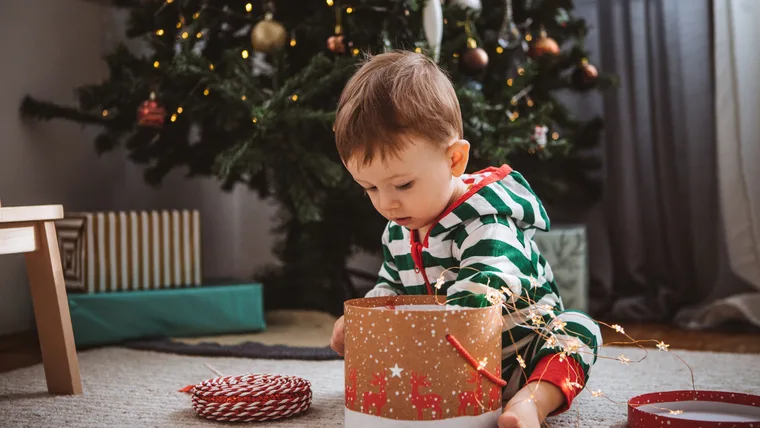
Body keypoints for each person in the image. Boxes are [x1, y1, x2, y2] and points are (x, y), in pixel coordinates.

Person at [329, 50, 602, 428]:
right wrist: (365, 323)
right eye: (369, 188)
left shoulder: (487, 221)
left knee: (579, 331)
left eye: (403, 184)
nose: (387, 202)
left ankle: (532, 402)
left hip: (522, 356)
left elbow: (483, 288)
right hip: (451, 366)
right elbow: (390, 287)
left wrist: (434, 335)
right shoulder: (399, 228)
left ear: (455, 160)